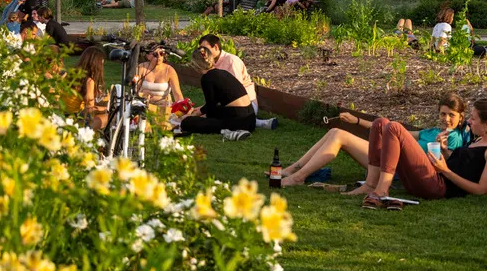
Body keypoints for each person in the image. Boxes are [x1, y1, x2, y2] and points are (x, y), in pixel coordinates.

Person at [281, 94, 472, 187]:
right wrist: (356, 121)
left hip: (396, 168)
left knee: (339, 135)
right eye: (443, 114)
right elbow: (393, 131)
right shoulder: (432, 131)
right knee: (335, 131)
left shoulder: (452, 138)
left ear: (461, 116)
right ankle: (294, 169)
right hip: (389, 159)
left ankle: (298, 177)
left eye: (451, 115)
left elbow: (443, 165)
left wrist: (442, 148)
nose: (446, 119)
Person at [350, 99, 487, 208]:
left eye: (473, 119)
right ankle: (370, 184)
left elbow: (481, 190)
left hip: (438, 186)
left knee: (394, 127)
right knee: (380, 123)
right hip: (432, 177)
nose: (469, 122)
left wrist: (445, 171)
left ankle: (381, 191)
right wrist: (444, 151)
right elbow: (460, 164)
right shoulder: (478, 139)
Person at [181, 46, 255, 139]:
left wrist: (194, 115)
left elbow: (211, 108)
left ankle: (232, 132)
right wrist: (200, 109)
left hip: (238, 122)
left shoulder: (207, 78)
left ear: (196, 65)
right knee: (210, 115)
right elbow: (215, 103)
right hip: (251, 119)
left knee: (187, 122)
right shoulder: (223, 72)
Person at [77, 46, 108, 132]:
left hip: (65, 116)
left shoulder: (75, 75)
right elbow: (90, 108)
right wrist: (106, 109)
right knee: (111, 117)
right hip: (77, 121)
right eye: (101, 64)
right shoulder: (89, 81)